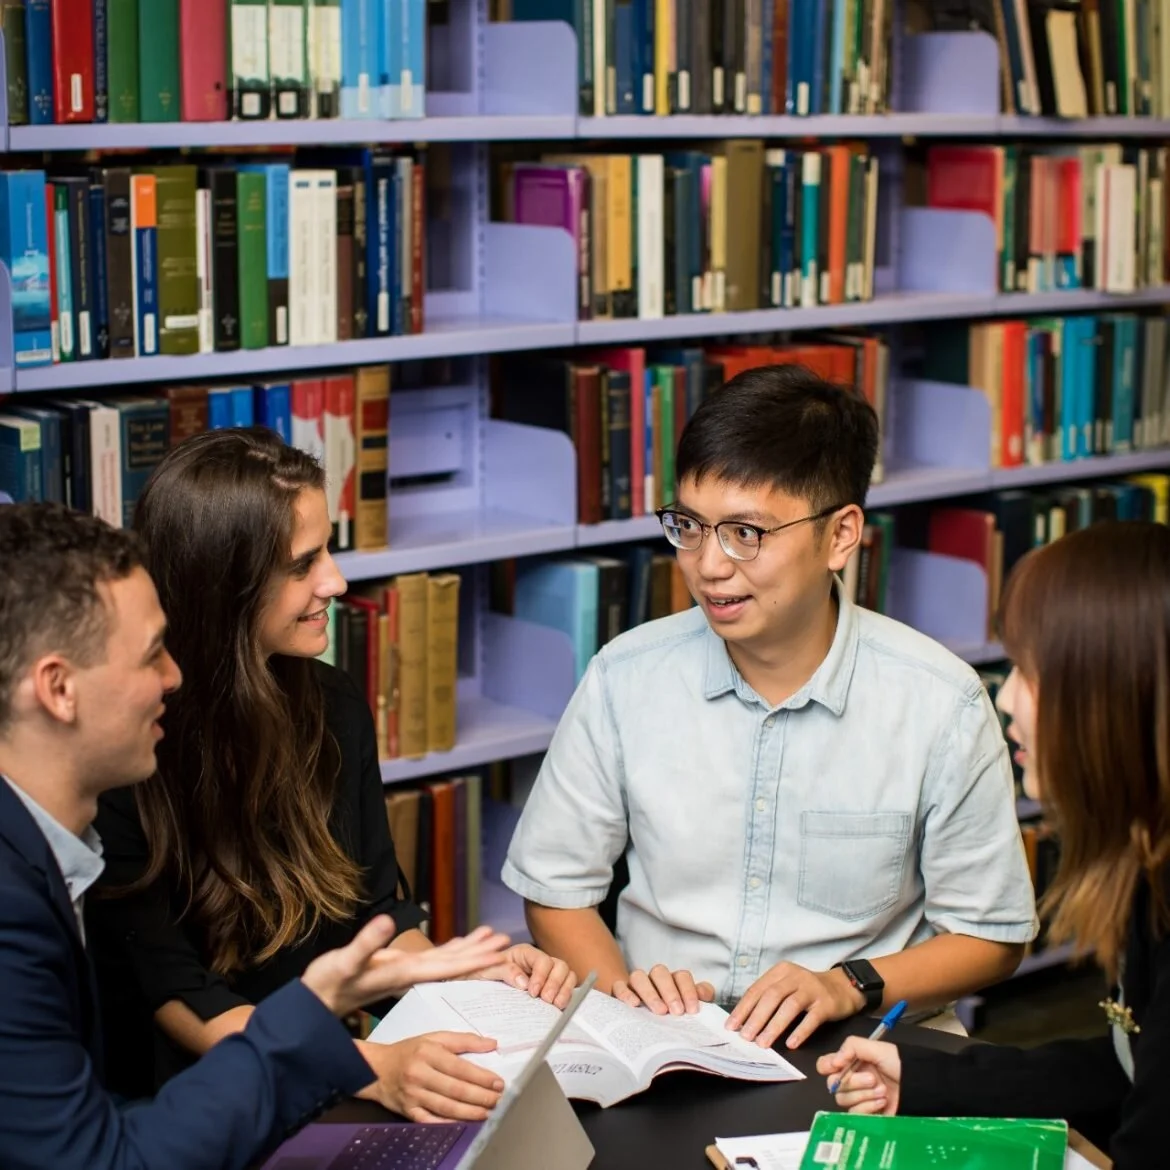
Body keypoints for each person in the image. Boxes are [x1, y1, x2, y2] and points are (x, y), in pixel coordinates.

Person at [503, 363, 1038, 1050]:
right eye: (690, 526)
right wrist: (623, 1004)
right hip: (669, 1040)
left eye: (745, 534)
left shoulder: (940, 703)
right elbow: (555, 887)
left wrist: (847, 983)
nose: (709, 565)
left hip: (859, 1053)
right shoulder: (626, 677)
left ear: (841, 536)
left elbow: (991, 937)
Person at [0, 500, 514, 1170]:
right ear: (59, 689)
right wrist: (316, 1018)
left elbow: (75, 1125)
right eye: (153, 654)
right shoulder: (12, 907)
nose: (174, 677)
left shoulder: (42, 853)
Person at [87, 428, 574, 1126]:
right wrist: (368, 1068)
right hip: (193, 1101)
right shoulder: (132, 749)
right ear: (223, 584)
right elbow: (180, 1001)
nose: (337, 582)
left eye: (329, 548)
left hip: (324, 1071)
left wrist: (468, 974)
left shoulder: (333, 705)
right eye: (302, 563)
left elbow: (375, 917)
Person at [818, 520, 1170, 1167]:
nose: (1004, 698)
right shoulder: (1149, 871)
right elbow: (1132, 1069)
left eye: (1030, 673)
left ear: (1113, 695)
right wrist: (926, 1082)